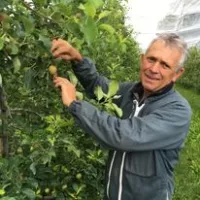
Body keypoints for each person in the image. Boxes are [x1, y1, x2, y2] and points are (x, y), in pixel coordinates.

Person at [51, 33, 192, 200]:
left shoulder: (177, 111)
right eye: (151, 59)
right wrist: (77, 60)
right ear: (142, 59)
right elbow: (101, 88)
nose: (154, 69)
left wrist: (76, 105)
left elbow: (125, 136)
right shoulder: (131, 92)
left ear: (177, 73)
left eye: (165, 65)